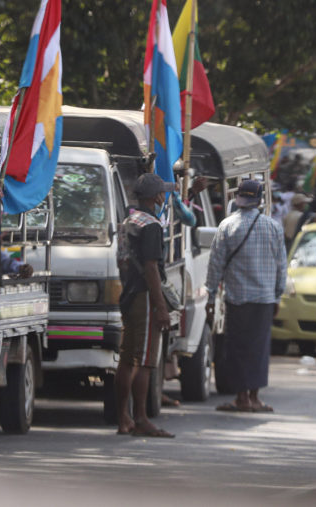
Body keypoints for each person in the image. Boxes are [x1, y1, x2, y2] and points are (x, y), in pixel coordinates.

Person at [206, 179, 287, 413]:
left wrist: (211, 296)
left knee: (239, 347)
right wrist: (278, 296)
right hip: (264, 298)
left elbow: (215, 265)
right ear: (260, 200)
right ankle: (254, 398)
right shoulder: (273, 227)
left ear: (238, 198)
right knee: (259, 348)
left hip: (237, 299)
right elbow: (281, 266)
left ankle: (241, 398)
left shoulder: (227, 226)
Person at [115, 172, 176, 438]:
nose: (164, 196)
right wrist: (160, 306)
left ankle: (123, 417)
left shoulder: (129, 221)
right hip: (145, 297)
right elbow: (152, 267)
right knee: (146, 360)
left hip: (128, 293)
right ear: (156, 197)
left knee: (127, 360)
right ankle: (140, 418)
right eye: (163, 192)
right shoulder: (151, 225)